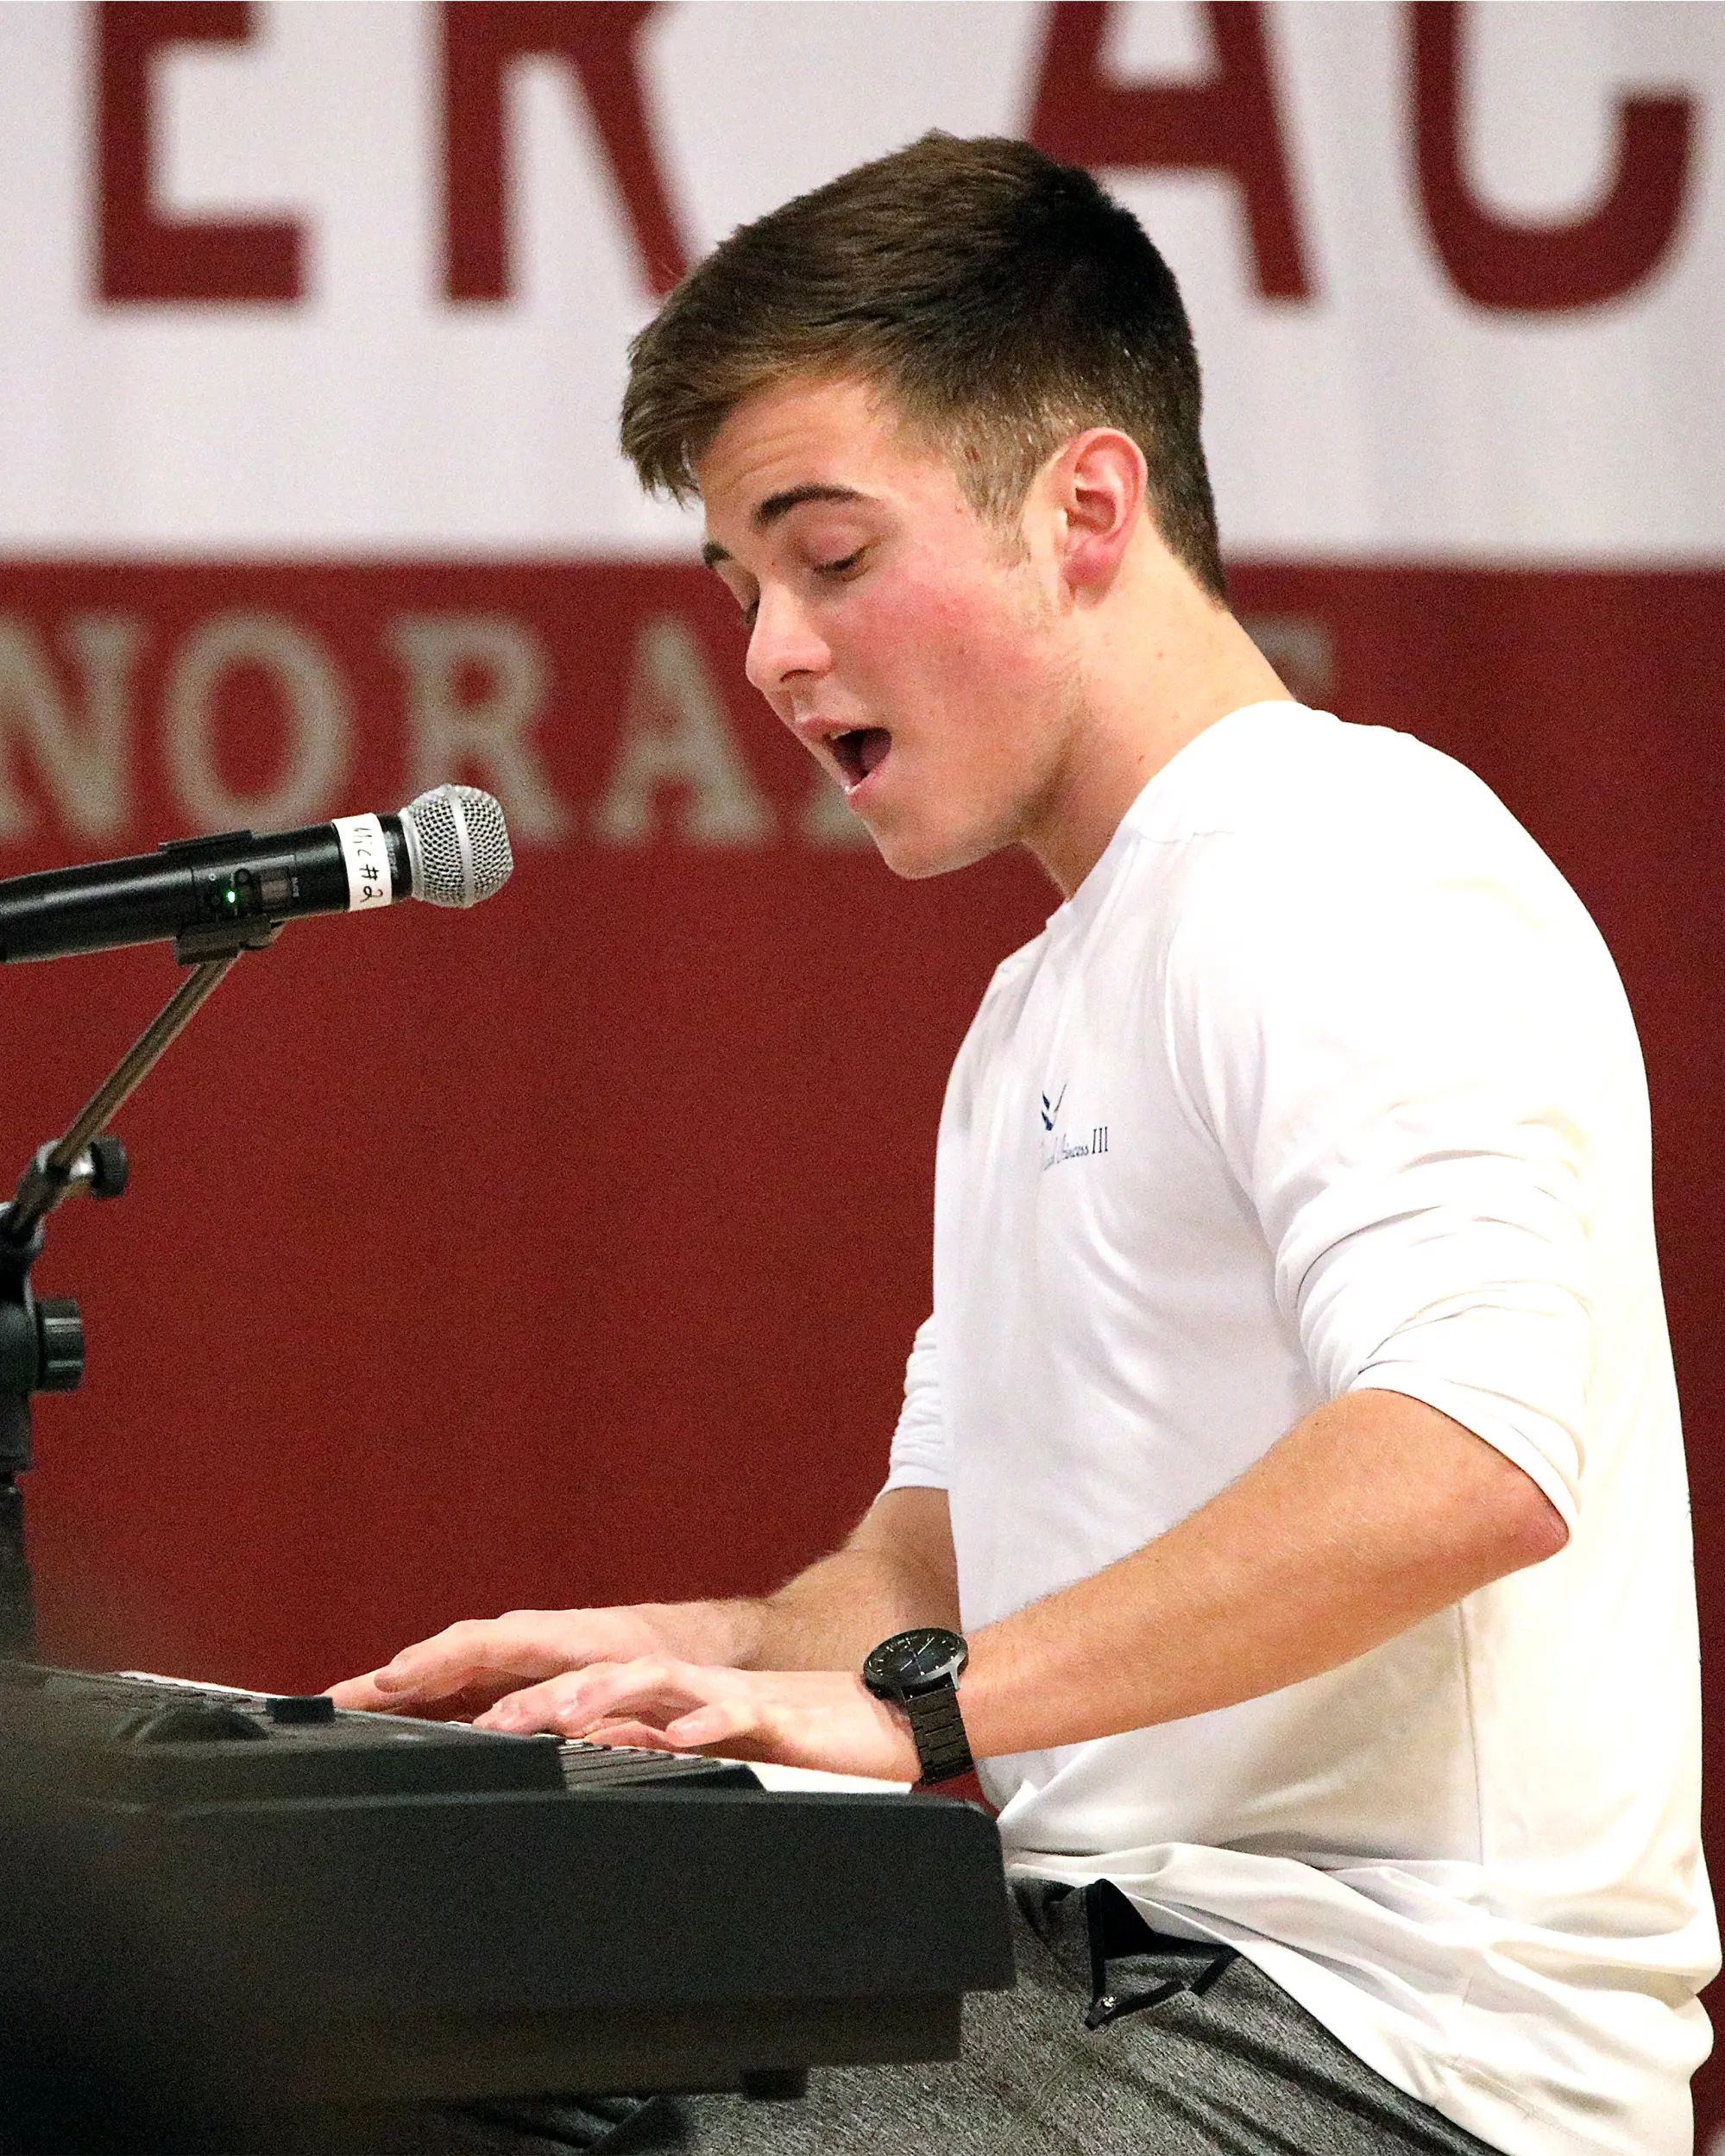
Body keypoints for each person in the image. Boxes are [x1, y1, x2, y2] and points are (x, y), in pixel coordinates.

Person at [332, 135, 1716, 2155]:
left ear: (1084, 507)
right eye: (738, 587)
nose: (771, 657)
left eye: (828, 557)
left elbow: (1465, 1462)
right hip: (1081, 1973)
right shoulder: (1037, 1007)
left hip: (1384, 2060)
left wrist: (914, 1711)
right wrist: (699, 1669)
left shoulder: (1355, 863)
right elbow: (939, 1552)